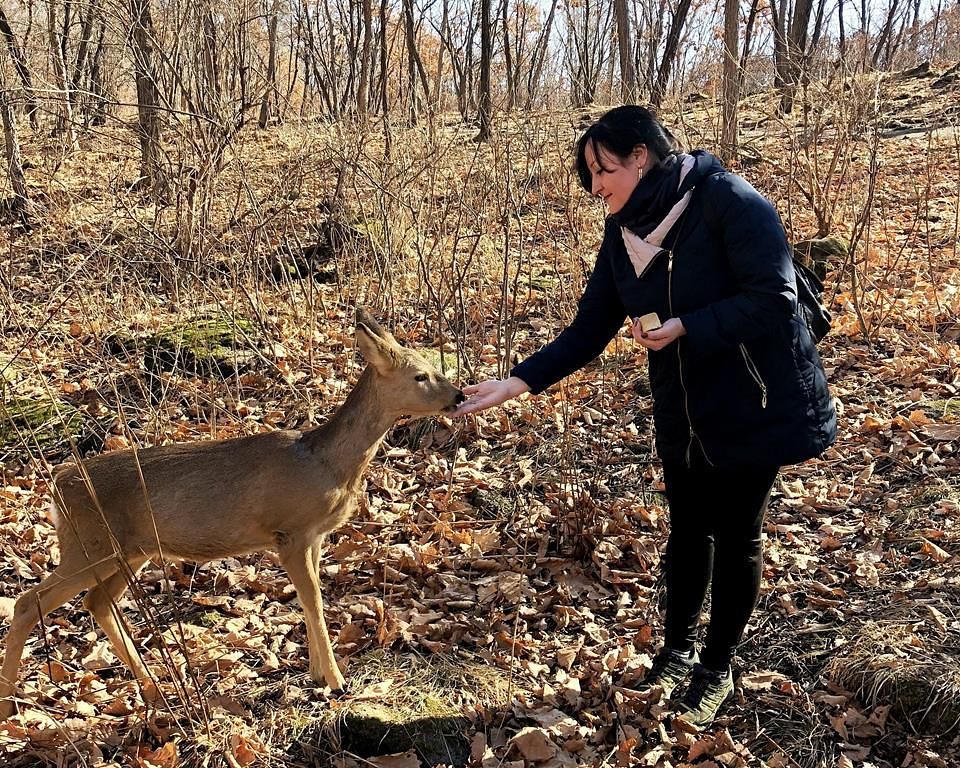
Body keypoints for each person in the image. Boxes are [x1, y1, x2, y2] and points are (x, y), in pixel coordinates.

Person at [455, 105, 836, 726]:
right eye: (589, 176)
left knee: (737, 532)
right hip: (683, 402)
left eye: (603, 169)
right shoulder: (623, 230)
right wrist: (515, 382)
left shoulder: (730, 202)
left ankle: (718, 665)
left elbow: (774, 298)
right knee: (688, 528)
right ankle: (679, 651)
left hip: (754, 396)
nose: (596, 186)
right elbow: (589, 328)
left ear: (642, 157)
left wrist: (689, 324)